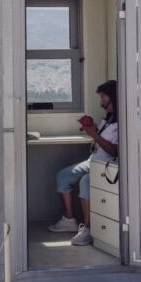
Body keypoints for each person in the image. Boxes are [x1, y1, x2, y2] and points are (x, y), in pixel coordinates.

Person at [49, 80, 119, 246]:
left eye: (103, 97)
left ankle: (87, 229)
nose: (101, 101)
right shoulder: (108, 119)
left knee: (85, 181)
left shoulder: (121, 122)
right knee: (63, 176)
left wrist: (94, 135)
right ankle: (69, 219)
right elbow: (100, 139)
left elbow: (115, 151)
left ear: (113, 97)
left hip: (105, 165)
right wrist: (93, 129)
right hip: (92, 161)